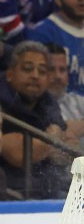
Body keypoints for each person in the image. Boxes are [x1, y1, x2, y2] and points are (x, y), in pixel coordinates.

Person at [0, 40, 71, 199]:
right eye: (27, 69)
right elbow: (17, 153)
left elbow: (69, 147)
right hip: (9, 194)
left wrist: (45, 146)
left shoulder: (48, 103)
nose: (35, 75)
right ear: (10, 74)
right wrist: (52, 145)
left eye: (42, 71)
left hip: (48, 189)